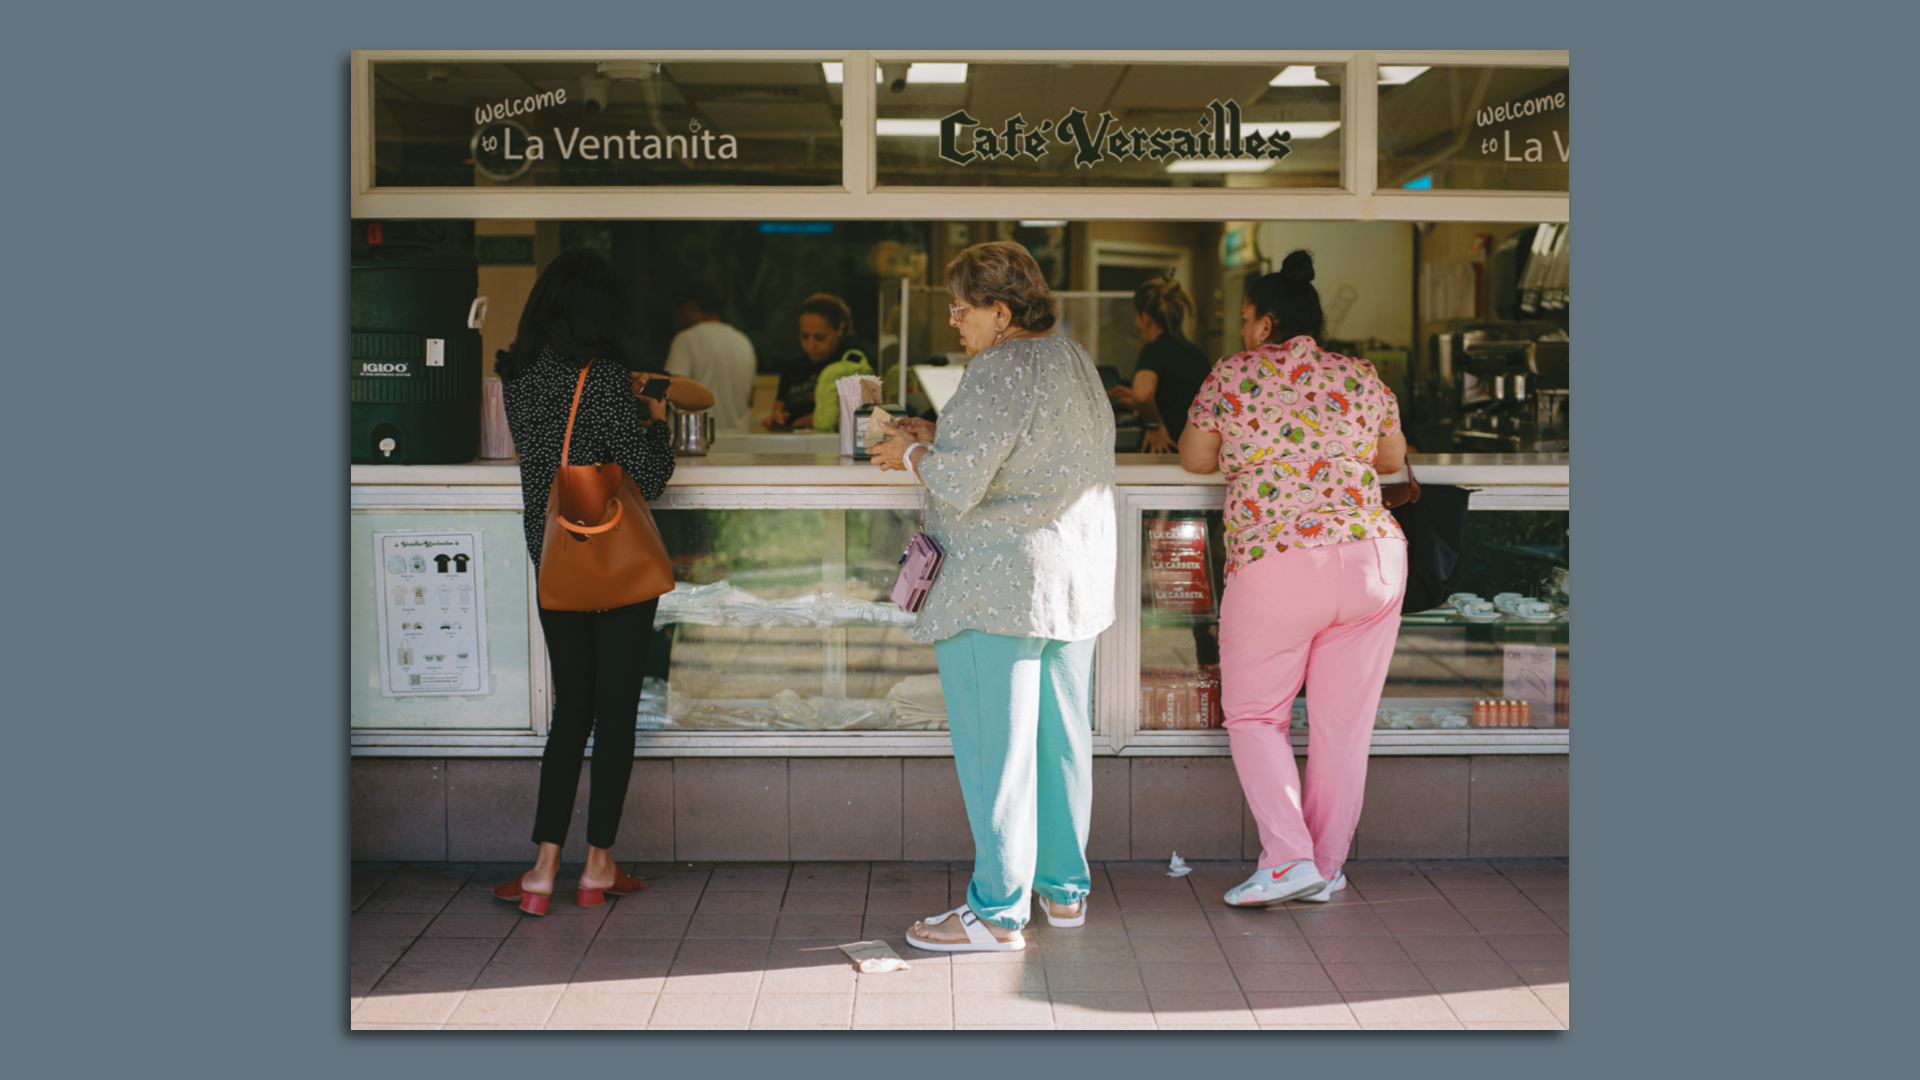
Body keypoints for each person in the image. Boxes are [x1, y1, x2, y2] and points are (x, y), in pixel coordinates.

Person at [870, 242, 1116, 952]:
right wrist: (938, 434)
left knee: (995, 752)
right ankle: (1064, 895)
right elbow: (1031, 448)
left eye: (962, 306)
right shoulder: (1072, 358)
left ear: (1000, 313)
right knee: (1062, 742)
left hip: (997, 587)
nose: (954, 320)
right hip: (1072, 580)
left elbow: (960, 481)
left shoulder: (996, 368)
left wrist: (910, 453)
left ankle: (998, 911)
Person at [1179, 250, 1408, 907]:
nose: (1242, 331)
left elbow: (1197, 458)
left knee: (1255, 715)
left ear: (1265, 323)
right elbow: (1390, 458)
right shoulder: (1361, 376)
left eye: (1247, 319)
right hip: (1372, 560)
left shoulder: (1234, 375)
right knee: (1342, 727)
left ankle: (1287, 860)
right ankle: (1325, 867)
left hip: (1279, 559)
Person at [490, 249, 678, 916]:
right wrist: (655, 425)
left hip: (554, 559)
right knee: (615, 711)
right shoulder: (603, 378)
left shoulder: (517, 375)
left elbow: (549, 464)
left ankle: (542, 870)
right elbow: (647, 478)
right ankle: (597, 864)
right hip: (615, 564)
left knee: (573, 710)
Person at [1109, 276, 1211, 453]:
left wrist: (1154, 425)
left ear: (1145, 318)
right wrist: (1133, 397)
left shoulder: (1153, 349)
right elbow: (1178, 398)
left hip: (1165, 449)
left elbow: (1143, 394)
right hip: (1195, 450)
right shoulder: (1194, 352)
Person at [765, 293, 873, 432]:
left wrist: (808, 420)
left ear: (839, 329)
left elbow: (860, 414)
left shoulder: (853, 363)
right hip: (794, 449)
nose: (810, 346)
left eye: (820, 337)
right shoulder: (792, 368)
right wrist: (776, 420)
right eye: (805, 336)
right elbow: (777, 411)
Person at [664, 280, 757, 433]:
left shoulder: (686, 339)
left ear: (692, 306)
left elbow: (674, 392)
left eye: (682, 306)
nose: (680, 313)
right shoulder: (743, 341)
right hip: (738, 442)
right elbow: (750, 399)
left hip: (694, 441)